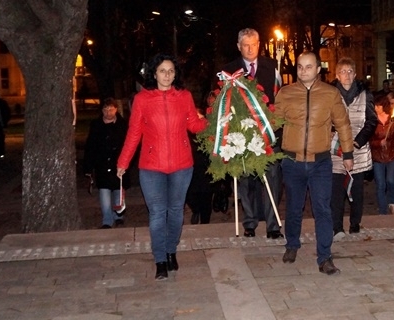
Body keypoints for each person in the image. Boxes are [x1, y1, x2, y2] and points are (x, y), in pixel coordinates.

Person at [117, 53, 207, 281]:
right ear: (154, 73)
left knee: (176, 212)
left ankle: (171, 251)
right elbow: (134, 132)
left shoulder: (184, 97)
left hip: (181, 165)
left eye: (171, 71)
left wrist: (214, 120)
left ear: (175, 74)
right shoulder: (142, 99)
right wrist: (123, 162)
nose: (167, 75)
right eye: (162, 71)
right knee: (157, 213)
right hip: (151, 166)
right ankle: (160, 260)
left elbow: (194, 125)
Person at [275, 51, 354, 275]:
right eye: (300, 67)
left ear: (318, 69)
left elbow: (343, 124)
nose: (303, 71)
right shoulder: (286, 93)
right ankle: (292, 244)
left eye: (309, 67)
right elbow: (273, 121)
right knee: (293, 207)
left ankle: (325, 256)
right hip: (292, 161)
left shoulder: (330, 94)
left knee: (322, 209)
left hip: (320, 162)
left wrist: (348, 153)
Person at [220, 28, 283, 239]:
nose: (250, 48)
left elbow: (278, 97)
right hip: (242, 133)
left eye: (254, 44)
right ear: (239, 46)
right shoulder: (229, 70)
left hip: (268, 133)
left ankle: (273, 225)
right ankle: (249, 222)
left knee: (272, 178)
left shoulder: (271, 67)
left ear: (259, 44)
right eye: (245, 45)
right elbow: (223, 102)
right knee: (245, 179)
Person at [329, 58, 377, 239]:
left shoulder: (366, 94)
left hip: (358, 149)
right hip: (336, 150)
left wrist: (358, 141)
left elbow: (372, 121)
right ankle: (337, 227)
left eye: (350, 71)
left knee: (357, 190)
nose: (346, 75)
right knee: (336, 191)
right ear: (337, 75)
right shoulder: (330, 94)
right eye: (342, 71)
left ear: (355, 74)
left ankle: (355, 223)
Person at [83, 98, 128, 229]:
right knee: (104, 194)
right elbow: (90, 146)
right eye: (105, 109)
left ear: (116, 110)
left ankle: (119, 216)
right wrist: (88, 167)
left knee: (118, 192)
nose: (108, 112)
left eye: (111, 109)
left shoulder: (122, 125)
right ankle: (107, 220)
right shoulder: (96, 125)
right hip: (102, 165)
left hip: (118, 164)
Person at [369, 93, 394, 215]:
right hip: (378, 157)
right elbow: (369, 141)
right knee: (380, 183)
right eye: (375, 105)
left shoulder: (393, 120)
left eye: (378, 106)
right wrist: (379, 143)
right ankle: (382, 209)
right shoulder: (372, 121)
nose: (375, 108)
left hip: (392, 155)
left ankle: (392, 202)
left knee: (391, 180)